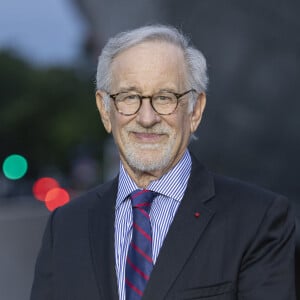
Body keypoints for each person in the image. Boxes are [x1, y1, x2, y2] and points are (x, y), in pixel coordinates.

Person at [30, 25, 295, 300]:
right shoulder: (65, 227)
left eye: (165, 97)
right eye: (129, 97)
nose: (147, 117)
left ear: (195, 110)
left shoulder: (259, 220)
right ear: (105, 110)